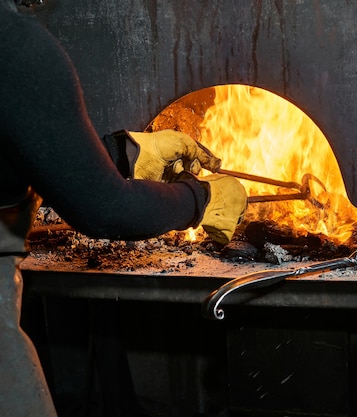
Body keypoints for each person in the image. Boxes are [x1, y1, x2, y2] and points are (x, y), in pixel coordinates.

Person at [0, 1, 248, 415]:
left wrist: (125, 152)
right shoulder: (14, 44)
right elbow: (102, 208)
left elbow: (24, 146)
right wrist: (200, 200)